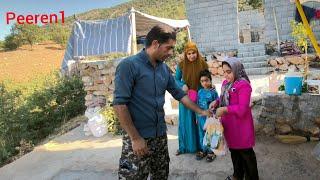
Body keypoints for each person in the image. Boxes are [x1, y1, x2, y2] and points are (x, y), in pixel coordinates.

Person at [113, 25, 211, 180]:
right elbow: (119, 105)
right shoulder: (129, 66)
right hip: (139, 137)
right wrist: (135, 138)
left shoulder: (163, 69)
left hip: (159, 136)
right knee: (133, 176)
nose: (171, 52)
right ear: (155, 44)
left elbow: (179, 94)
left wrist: (201, 111)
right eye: (168, 48)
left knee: (161, 175)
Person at [210, 57, 259, 180]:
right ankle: (237, 175)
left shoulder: (244, 85)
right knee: (234, 153)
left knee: (247, 155)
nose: (226, 75)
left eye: (229, 72)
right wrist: (216, 102)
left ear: (237, 70)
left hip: (241, 127)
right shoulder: (226, 83)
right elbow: (223, 98)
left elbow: (242, 108)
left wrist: (225, 109)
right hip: (229, 126)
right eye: (224, 71)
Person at [175, 41, 208, 155]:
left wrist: (208, 88)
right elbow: (176, 79)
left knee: (200, 122)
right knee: (186, 122)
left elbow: (207, 77)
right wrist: (182, 85)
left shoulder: (203, 64)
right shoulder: (181, 65)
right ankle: (184, 147)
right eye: (188, 54)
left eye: (193, 53)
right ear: (185, 54)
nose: (191, 56)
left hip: (200, 97)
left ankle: (202, 147)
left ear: (197, 52)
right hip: (186, 97)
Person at [195, 69, 219, 162]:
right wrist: (196, 116)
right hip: (201, 117)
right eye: (202, 81)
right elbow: (196, 105)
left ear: (210, 80)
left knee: (211, 134)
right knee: (202, 134)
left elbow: (217, 103)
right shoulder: (200, 92)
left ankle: (211, 152)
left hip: (210, 118)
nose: (204, 83)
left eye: (206, 80)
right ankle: (203, 150)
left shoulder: (214, 92)